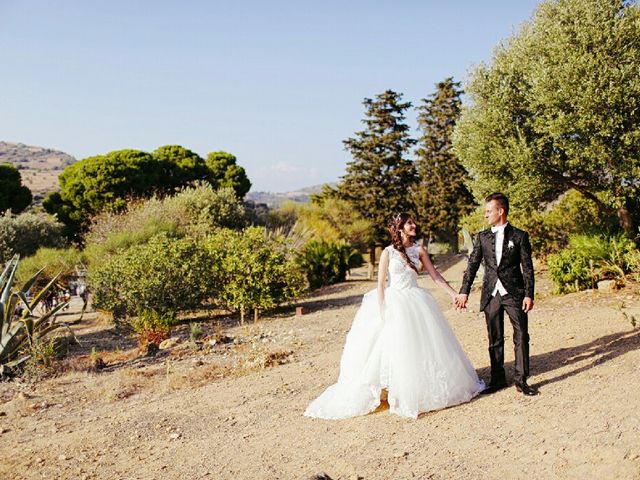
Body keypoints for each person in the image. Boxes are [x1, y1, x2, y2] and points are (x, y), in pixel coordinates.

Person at [304, 213, 484, 420]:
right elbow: (380, 284)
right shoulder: (388, 253)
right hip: (394, 302)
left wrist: (454, 295)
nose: (414, 225)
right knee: (390, 348)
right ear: (399, 228)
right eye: (409, 223)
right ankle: (388, 390)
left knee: (418, 346)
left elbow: (435, 276)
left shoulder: (419, 250)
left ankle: (419, 387)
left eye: (413, 222)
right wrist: (383, 310)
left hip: (416, 300)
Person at [456, 193, 538, 396]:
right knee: (495, 338)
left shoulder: (520, 236)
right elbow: (472, 264)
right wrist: (464, 291)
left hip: (515, 294)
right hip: (491, 293)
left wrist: (529, 294)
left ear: (500, 211)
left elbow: (527, 268)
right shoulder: (482, 237)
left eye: (489, 211)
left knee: (521, 336)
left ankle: (521, 380)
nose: (486, 215)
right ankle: (498, 378)